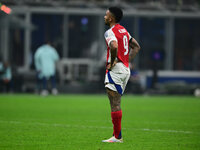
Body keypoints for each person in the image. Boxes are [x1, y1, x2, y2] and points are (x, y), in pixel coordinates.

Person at [102, 7, 140, 143]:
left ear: (111, 18)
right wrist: (126, 60)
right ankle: (116, 135)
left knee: (115, 103)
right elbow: (136, 47)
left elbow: (113, 46)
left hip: (116, 71)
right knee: (116, 103)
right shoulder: (124, 30)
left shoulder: (109, 32)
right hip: (125, 69)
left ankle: (117, 137)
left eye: (106, 15)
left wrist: (112, 62)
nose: (104, 17)